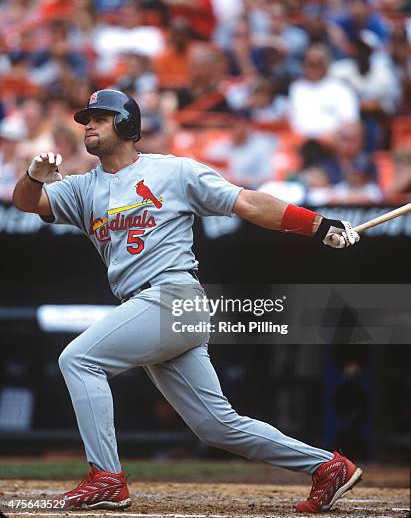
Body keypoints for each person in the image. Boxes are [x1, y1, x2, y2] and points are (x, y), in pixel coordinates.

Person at [13, 89, 362, 514]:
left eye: (100, 118)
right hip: (151, 306)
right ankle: (328, 466)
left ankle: (106, 477)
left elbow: (248, 202)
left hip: (172, 295)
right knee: (216, 426)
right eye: (86, 118)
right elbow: (27, 203)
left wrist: (319, 225)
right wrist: (32, 175)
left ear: (126, 125)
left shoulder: (174, 171)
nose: (88, 125)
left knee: (79, 360)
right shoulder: (83, 188)